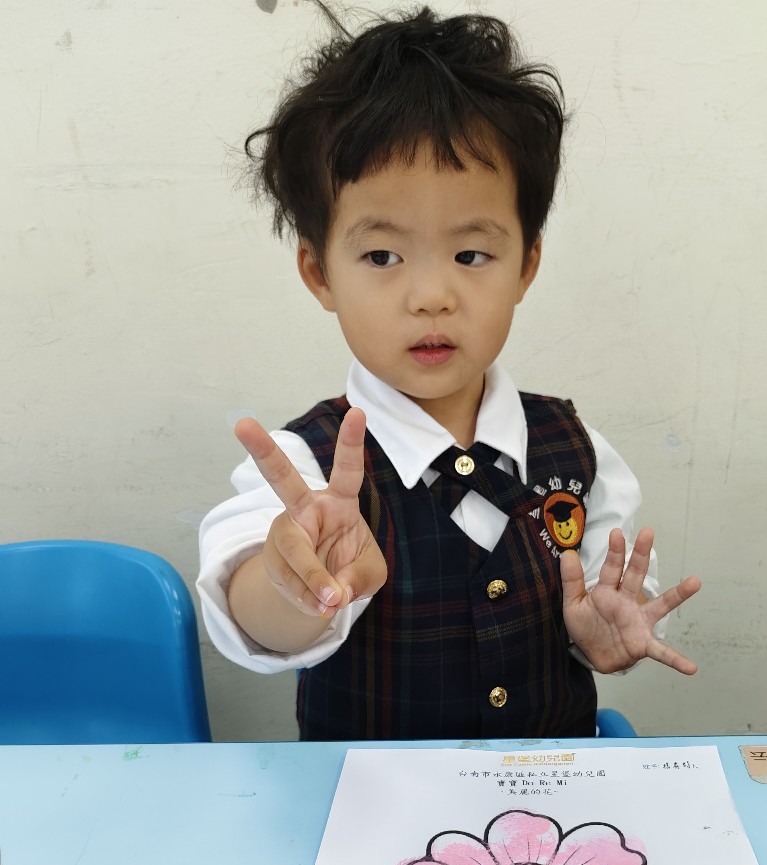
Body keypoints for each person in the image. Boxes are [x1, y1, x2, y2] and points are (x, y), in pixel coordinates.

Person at [197, 5, 700, 741]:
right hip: (372, 799)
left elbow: (609, 588)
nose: (432, 295)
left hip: (547, 790)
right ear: (319, 272)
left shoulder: (574, 447)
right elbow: (248, 609)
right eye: (381, 256)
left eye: (471, 254)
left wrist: (605, 628)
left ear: (526, 264)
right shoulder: (307, 468)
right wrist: (292, 582)